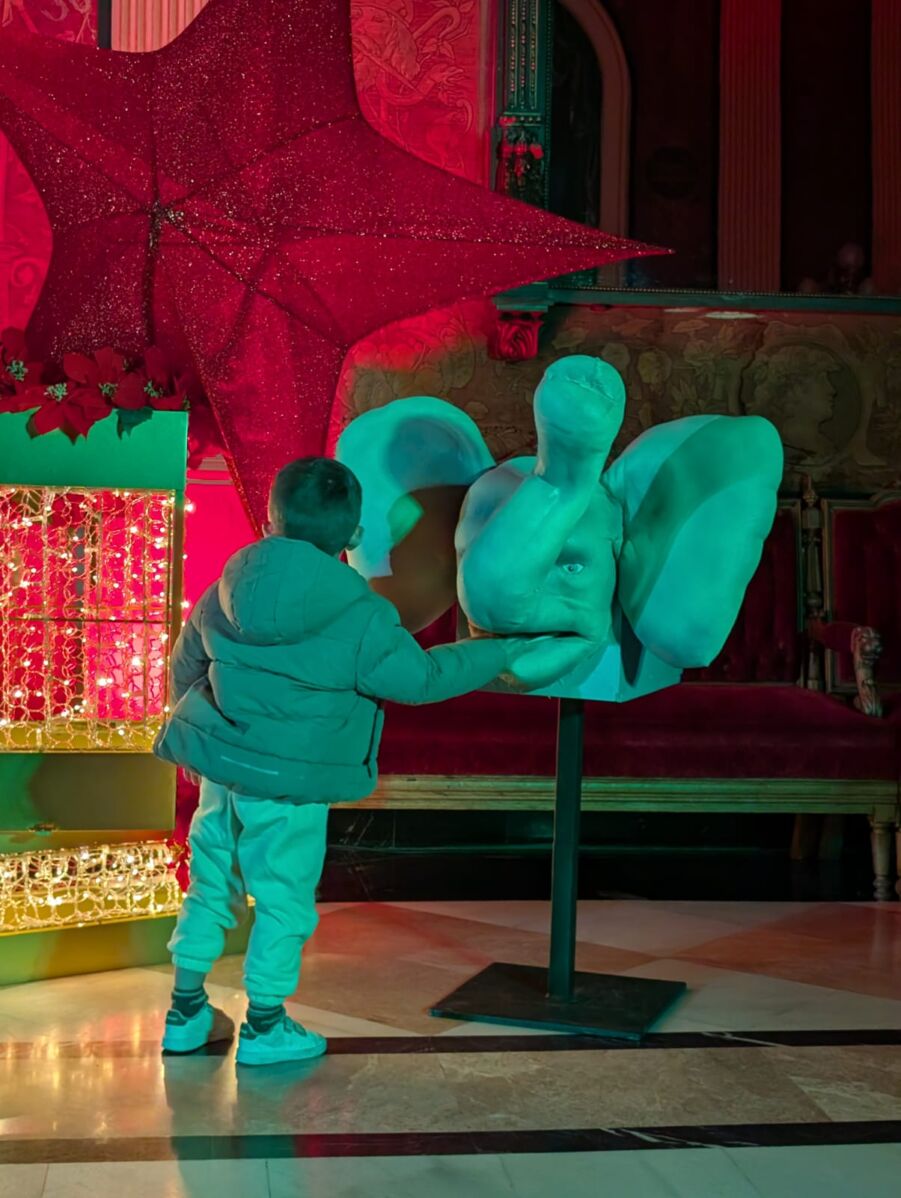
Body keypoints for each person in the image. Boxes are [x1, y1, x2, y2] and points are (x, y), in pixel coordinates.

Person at [154, 456, 577, 1066]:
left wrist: (193, 738)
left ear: (271, 520)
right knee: (282, 897)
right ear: (353, 535)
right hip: (292, 785)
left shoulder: (228, 586)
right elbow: (421, 678)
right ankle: (265, 1027)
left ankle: (185, 1012)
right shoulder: (361, 614)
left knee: (211, 883)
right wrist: (498, 650)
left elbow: (185, 662)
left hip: (222, 771)